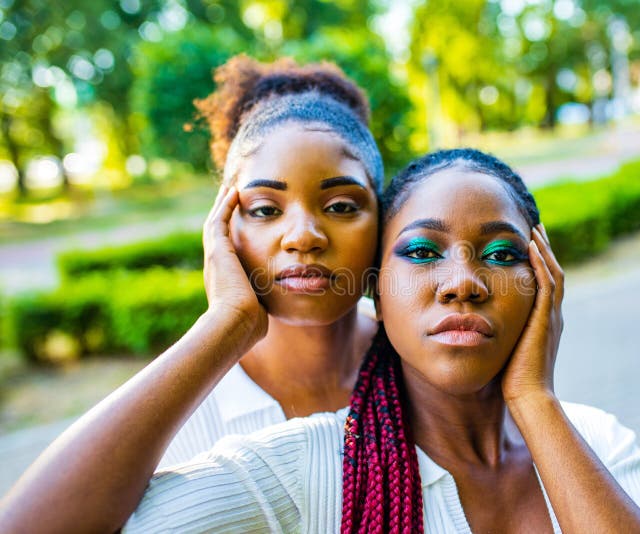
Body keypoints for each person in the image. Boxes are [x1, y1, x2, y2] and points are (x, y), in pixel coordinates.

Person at [122, 149, 640, 533]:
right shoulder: (311, 464)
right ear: (379, 297)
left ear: (544, 284)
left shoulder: (596, 440)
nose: (463, 281)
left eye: (502, 254)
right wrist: (226, 323)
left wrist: (535, 400)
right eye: (421, 252)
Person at [0, 54, 384, 532]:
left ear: (384, 219)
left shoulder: (421, 359)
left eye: (342, 204)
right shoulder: (176, 412)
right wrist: (227, 325)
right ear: (222, 227)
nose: (303, 236)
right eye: (265, 209)